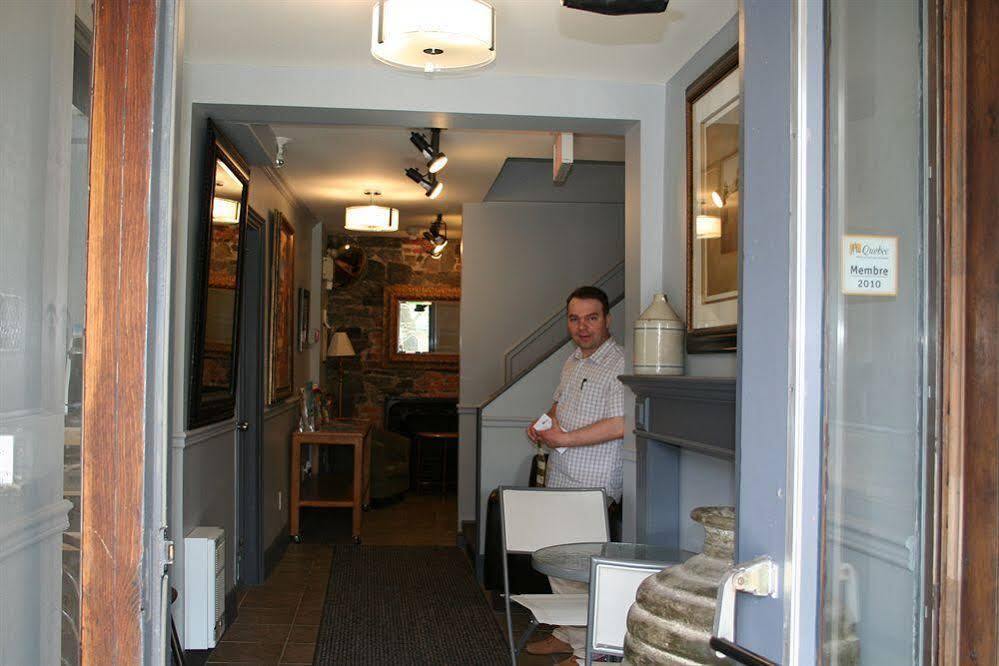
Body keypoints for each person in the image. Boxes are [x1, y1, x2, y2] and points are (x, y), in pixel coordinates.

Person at [524, 285, 625, 666]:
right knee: (558, 562)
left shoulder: (618, 364)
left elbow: (621, 423)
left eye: (591, 318)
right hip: (562, 479)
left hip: (591, 485)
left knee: (578, 570)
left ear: (607, 320)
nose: (582, 327)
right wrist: (543, 423)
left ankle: (586, 655)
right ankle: (567, 635)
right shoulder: (573, 360)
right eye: (575, 319)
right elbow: (559, 404)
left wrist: (564, 438)